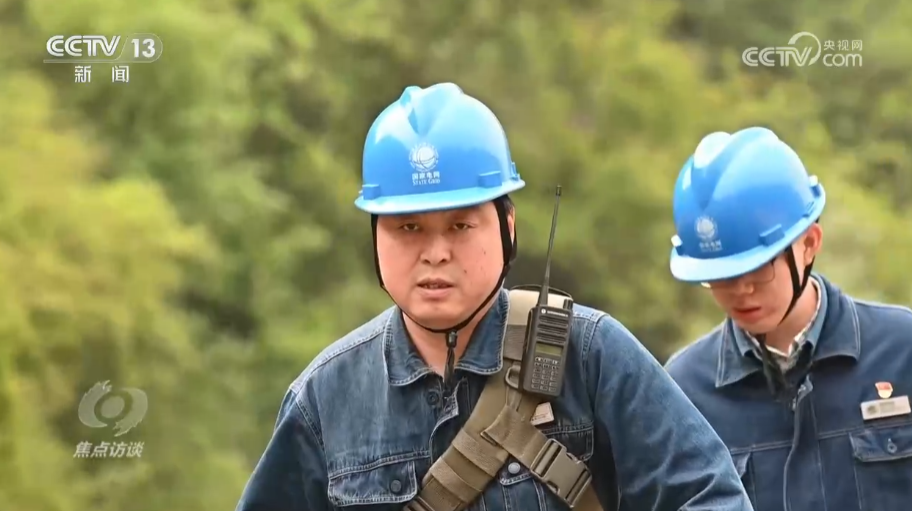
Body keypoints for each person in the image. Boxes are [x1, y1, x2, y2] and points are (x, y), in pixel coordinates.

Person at [235, 82, 753, 511]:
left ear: (507, 227)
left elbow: (709, 496)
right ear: (375, 236)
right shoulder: (324, 399)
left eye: (460, 225)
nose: (435, 254)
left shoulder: (590, 356)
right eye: (408, 228)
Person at [664, 126, 912, 511]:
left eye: (758, 267)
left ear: (809, 244)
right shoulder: (684, 391)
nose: (741, 291)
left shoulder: (902, 350)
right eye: (721, 275)